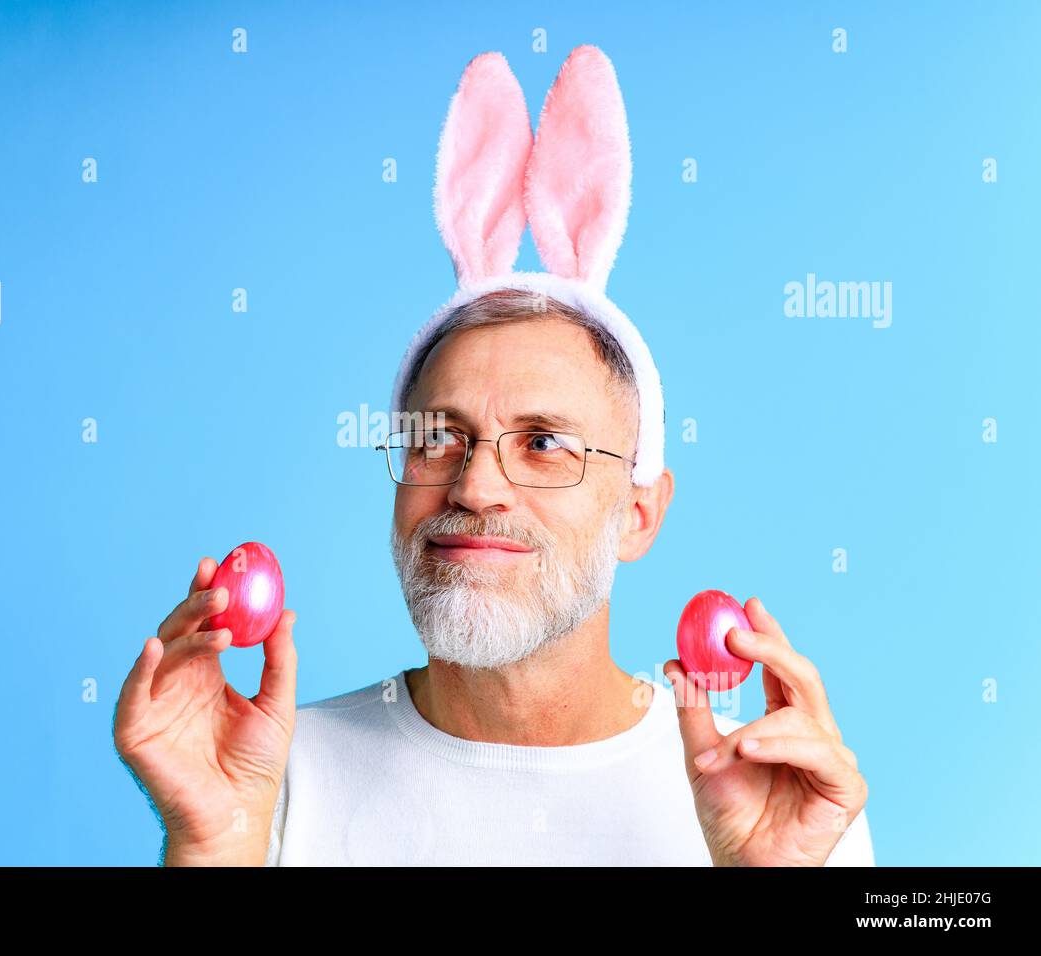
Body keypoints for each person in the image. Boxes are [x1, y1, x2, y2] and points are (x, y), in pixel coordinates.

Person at [113, 46, 873, 866]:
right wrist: (213, 842)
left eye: (544, 443)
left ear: (639, 512)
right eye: (439, 438)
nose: (475, 485)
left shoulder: (773, 797)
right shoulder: (270, 775)